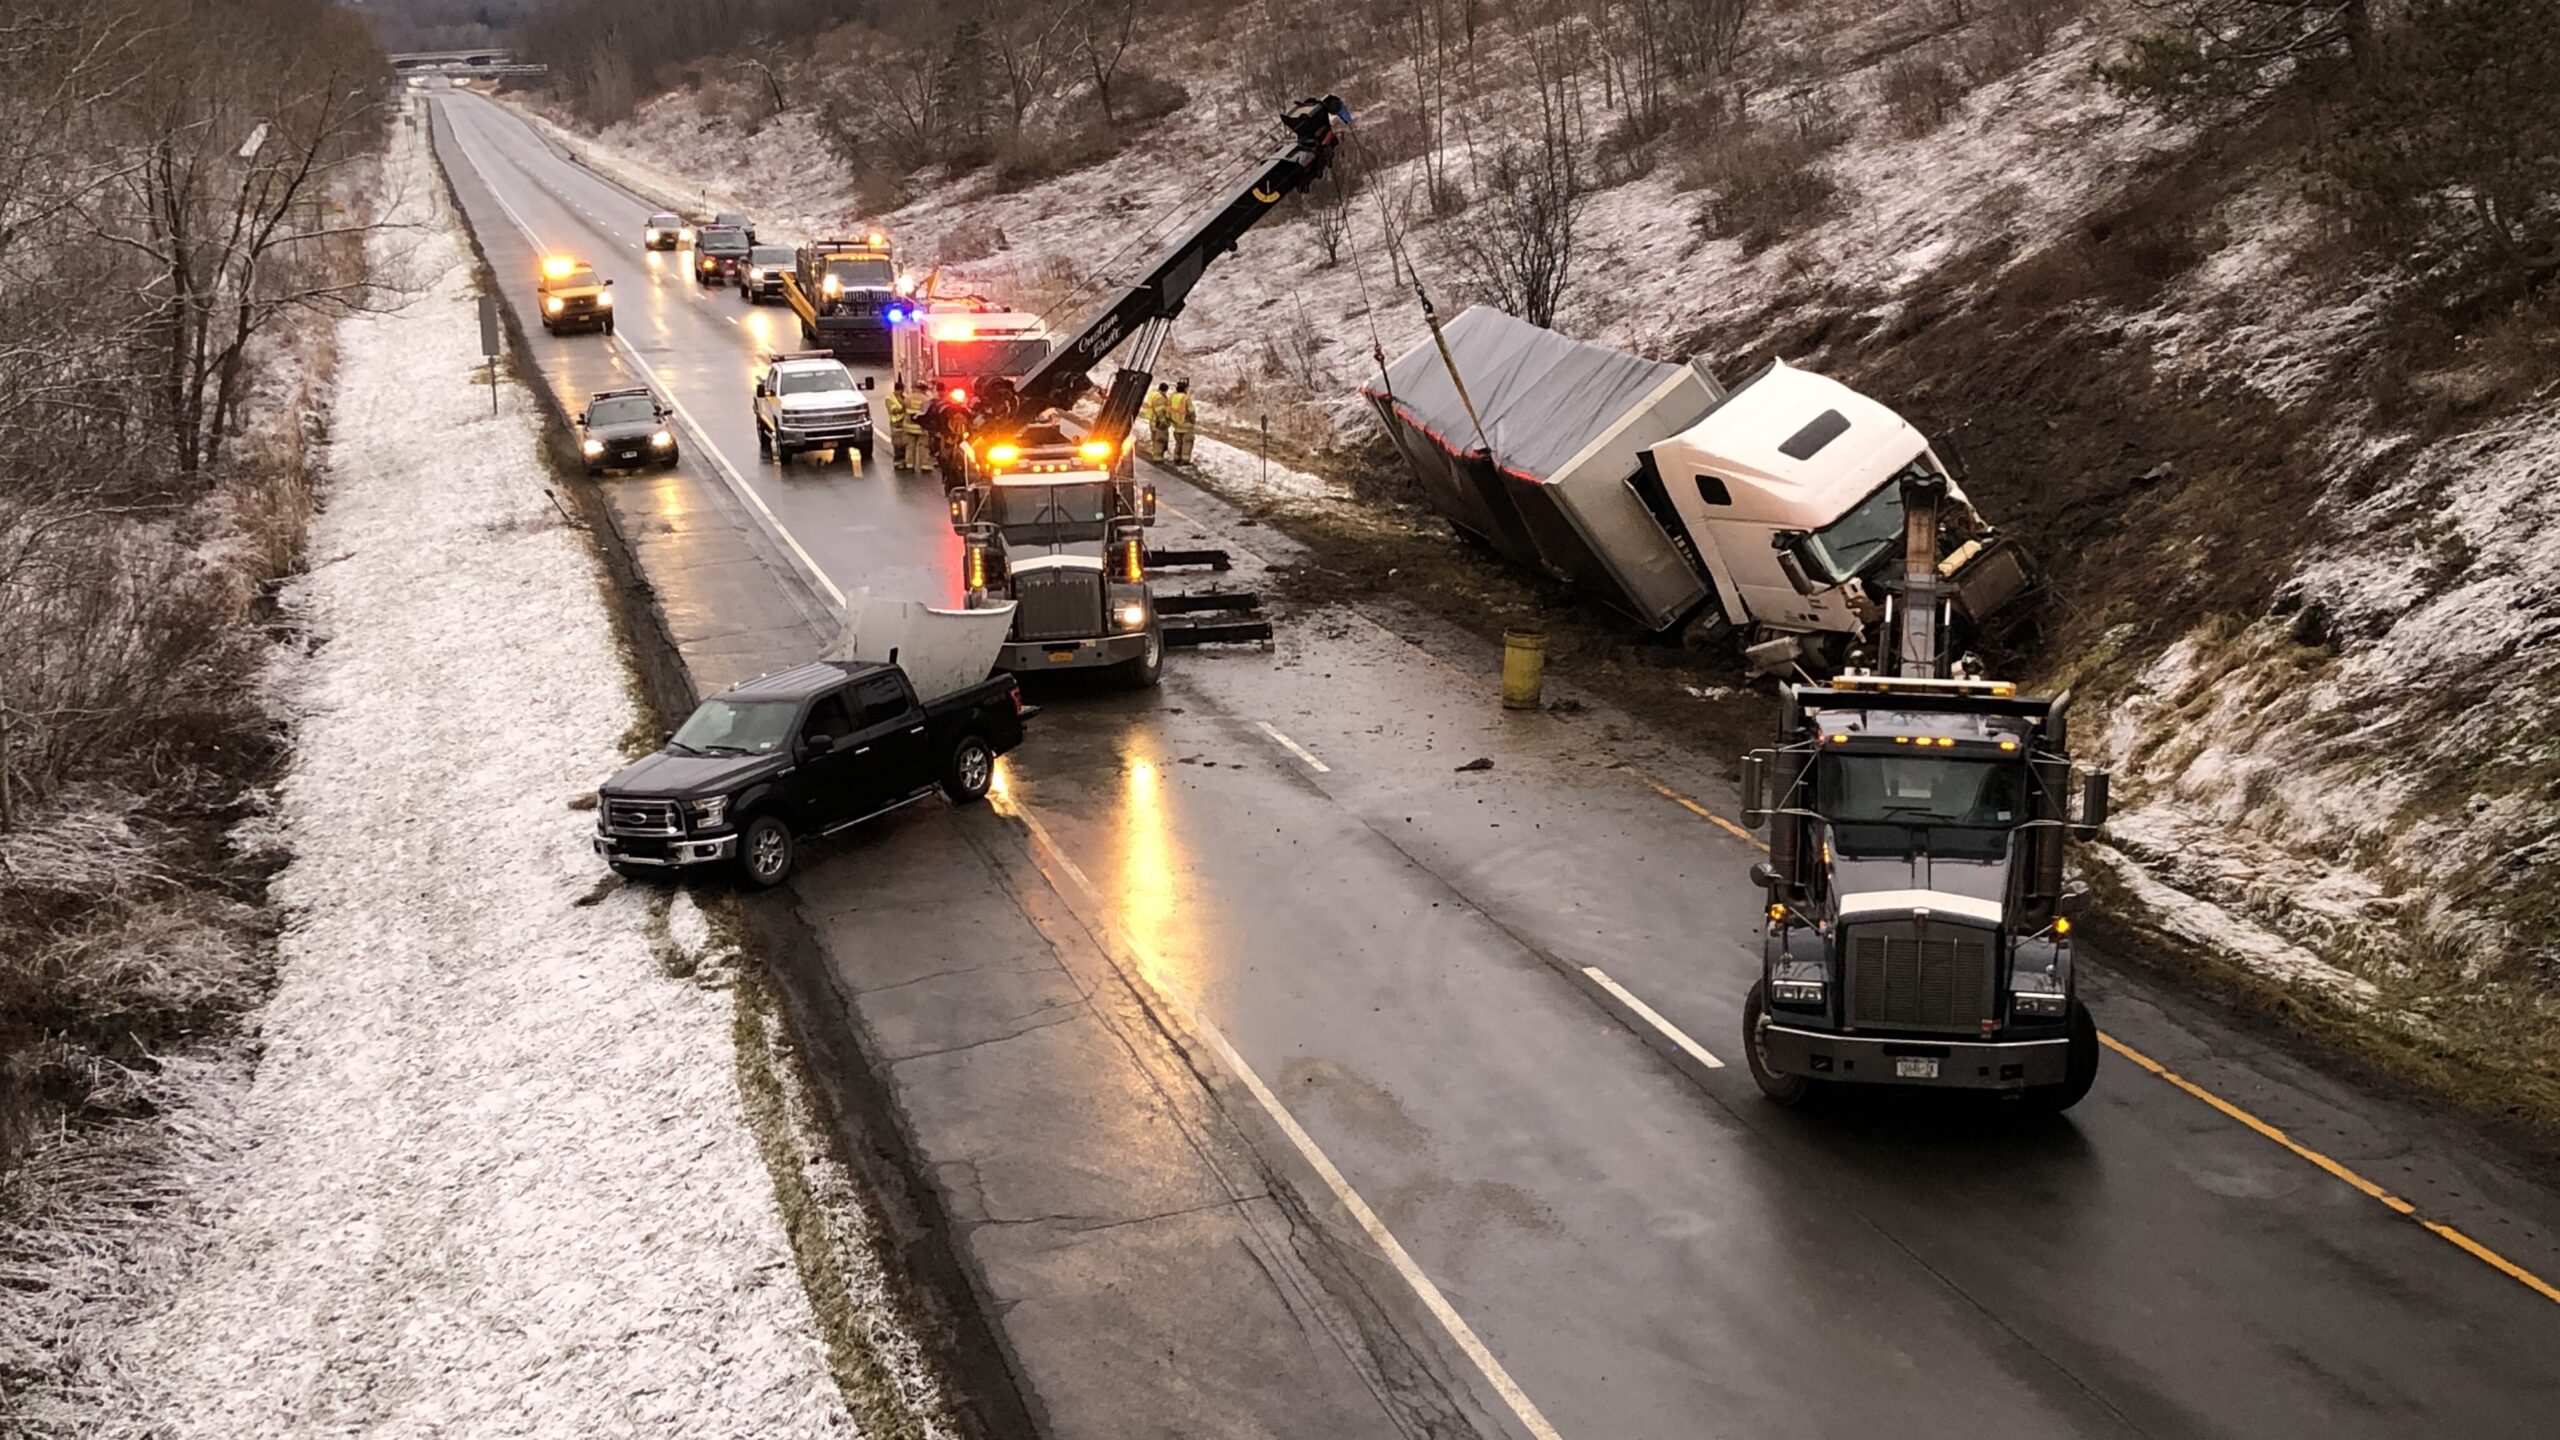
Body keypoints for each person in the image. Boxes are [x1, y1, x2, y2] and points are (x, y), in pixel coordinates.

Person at [884, 379, 915, 472]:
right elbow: (893, 410)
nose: (902, 392)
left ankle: (905, 461)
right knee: (897, 444)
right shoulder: (889, 399)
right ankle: (898, 463)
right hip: (896, 424)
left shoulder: (904, 397)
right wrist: (903, 407)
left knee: (905, 443)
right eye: (901, 390)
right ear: (898, 390)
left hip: (904, 424)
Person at [1169, 378, 1196, 465]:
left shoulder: (1172, 397)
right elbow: (1191, 411)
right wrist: (1193, 421)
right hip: (1186, 425)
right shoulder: (1185, 398)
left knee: (1178, 443)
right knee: (1187, 443)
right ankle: (1185, 460)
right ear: (1185, 389)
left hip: (1176, 425)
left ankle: (1176, 458)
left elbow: (1169, 409)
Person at [1143, 382, 1172, 462]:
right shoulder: (1160, 397)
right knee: (1160, 441)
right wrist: (1164, 422)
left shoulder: (1153, 394)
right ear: (1165, 390)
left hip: (1152, 421)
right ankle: (1158, 459)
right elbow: (1159, 411)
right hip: (1158, 422)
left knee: (1155, 440)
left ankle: (1156, 455)